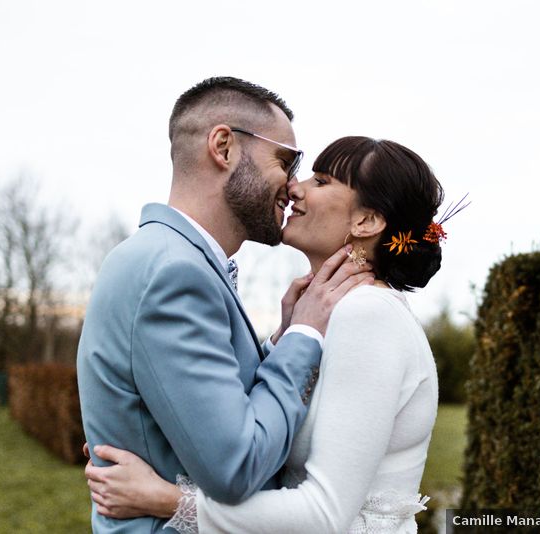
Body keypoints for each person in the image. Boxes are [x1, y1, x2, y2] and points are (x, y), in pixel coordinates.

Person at [85, 136, 462, 533]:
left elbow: (324, 515)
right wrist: (289, 336)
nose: (294, 187)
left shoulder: (367, 315)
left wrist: (165, 500)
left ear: (366, 221)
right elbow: (252, 426)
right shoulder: (333, 317)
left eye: (321, 180)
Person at [77, 77, 375, 534]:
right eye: (286, 160)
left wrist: (277, 341)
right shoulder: (175, 272)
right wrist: (304, 337)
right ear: (224, 147)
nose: (293, 186)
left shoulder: (164, 258)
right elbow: (236, 466)